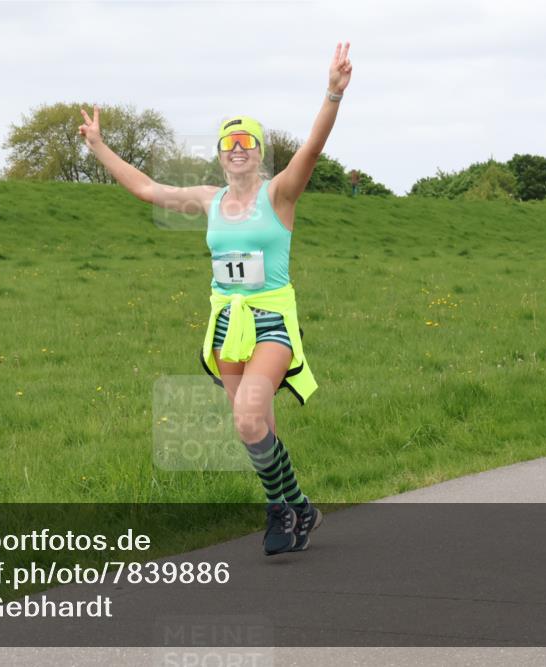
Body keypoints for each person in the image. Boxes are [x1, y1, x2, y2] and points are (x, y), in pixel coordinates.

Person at [79, 42, 353, 555]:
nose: (238, 148)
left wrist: (332, 95)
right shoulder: (208, 200)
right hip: (226, 322)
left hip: (271, 318)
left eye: (248, 141)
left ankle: (279, 510)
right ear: (221, 153)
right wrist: (98, 145)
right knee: (258, 428)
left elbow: (312, 151)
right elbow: (146, 190)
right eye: (230, 141)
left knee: (248, 417)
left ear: (259, 152)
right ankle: (299, 508)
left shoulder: (279, 195)